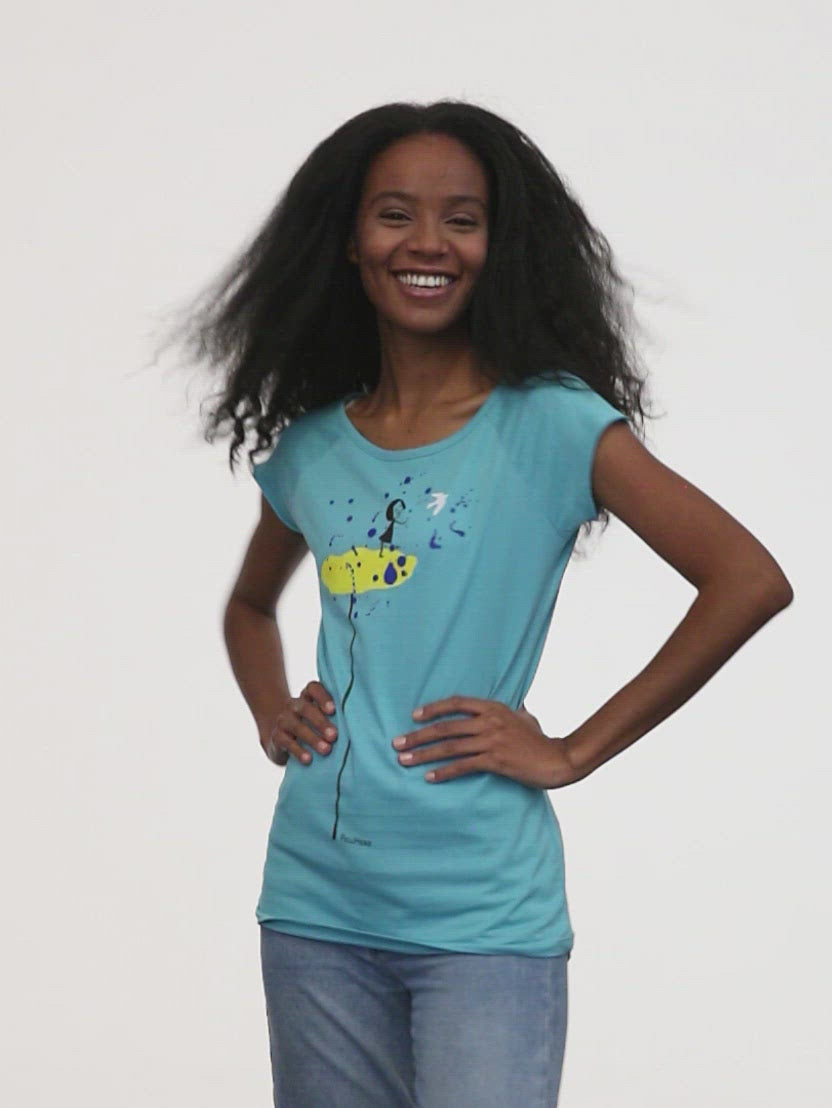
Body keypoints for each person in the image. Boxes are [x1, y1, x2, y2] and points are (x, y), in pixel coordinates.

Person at [171, 100, 793, 1107]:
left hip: (483, 916)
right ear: (349, 241)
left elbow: (747, 578)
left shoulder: (551, 424)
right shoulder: (315, 448)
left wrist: (573, 750)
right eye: (395, 215)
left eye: (462, 219)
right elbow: (249, 606)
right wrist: (271, 710)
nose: (428, 242)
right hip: (315, 907)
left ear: (501, 247)